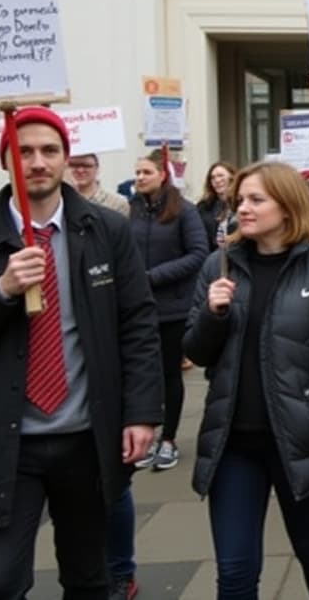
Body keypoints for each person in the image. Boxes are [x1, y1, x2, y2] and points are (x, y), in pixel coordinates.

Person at [0, 106, 163, 600]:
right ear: (5, 160)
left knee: (89, 577)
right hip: (8, 443)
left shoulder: (106, 229)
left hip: (86, 437)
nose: (37, 162)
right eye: (24, 151)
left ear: (66, 158)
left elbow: (137, 324)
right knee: (1, 579)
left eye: (50, 150)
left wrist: (142, 413)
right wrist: (2, 291)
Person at [184, 160, 309, 599]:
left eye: (255, 200)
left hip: (299, 440)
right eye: (239, 200)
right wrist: (212, 315)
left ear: (286, 206)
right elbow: (196, 351)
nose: (242, 208)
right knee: (235, 572)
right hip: (233, 443)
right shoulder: (218, 266)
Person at [129, 150, 209, 470]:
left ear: (163, 175)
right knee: (144, 375)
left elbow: (198, 253)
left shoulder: (184, 211)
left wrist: (153, 277)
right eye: (137, 172)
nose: (139, 178)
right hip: (139, 307)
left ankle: (169, 439)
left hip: (173, 308)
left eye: (146, 172)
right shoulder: (132, 210)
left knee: (169, 374)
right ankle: (147, 434)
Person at [66, 152, 130, 217]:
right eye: (74, 165)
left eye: (86, 165)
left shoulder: (118, 203)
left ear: (97, 168)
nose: (80, 170)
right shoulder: (62, 201)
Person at [196, 161, 237, 251]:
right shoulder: (204, 207)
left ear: (232, 177)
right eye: (213, 178)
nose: (217, 180)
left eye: (220, 175)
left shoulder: (241, 203)